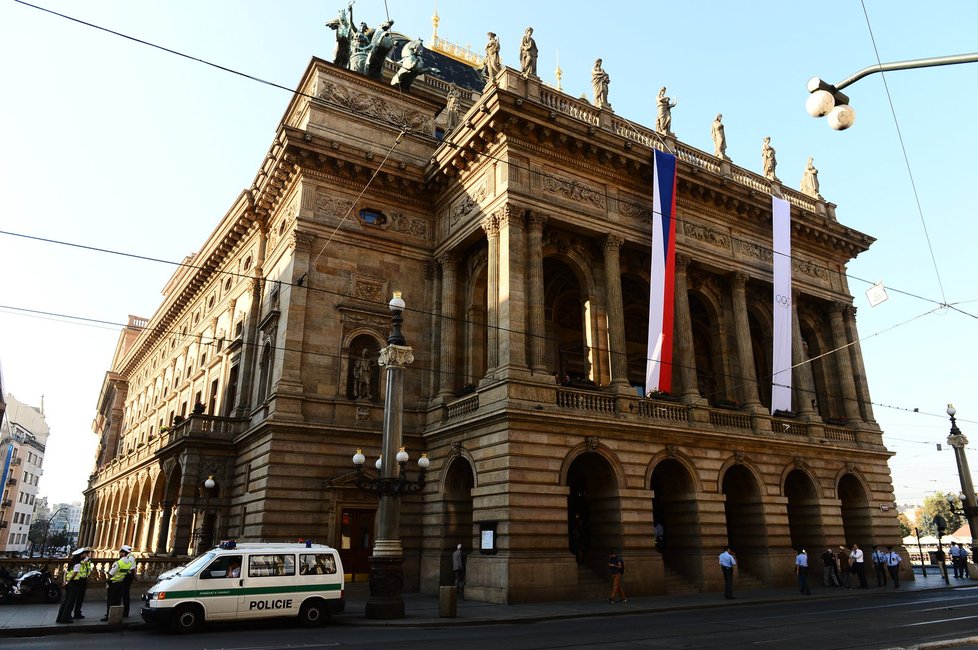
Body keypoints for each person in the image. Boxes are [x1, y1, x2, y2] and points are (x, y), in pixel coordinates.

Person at [57, 547, 91, 624]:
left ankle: (60, 617)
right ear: (80, 555)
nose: (85, 555)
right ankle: (65, 618)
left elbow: (66, 573)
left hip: (70, 583)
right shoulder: (78, 564)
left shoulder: (71, 562)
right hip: (74, 583)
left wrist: (65, 582)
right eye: (84, 554)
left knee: (66, 601)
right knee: (70, 602)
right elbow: (74, 574)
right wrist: (68, 581)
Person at [102, 544, 136, 621]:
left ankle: (109, 616)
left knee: (111, 601)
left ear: (123, 553)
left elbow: (111, 573)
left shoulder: (118, 562)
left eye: (120, 552)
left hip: (114, 583)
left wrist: (108, 580)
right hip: (121, 582)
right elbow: (131, 570)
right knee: (118, 600)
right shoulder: (129, 562)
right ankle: (116, 616)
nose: (119, 553)